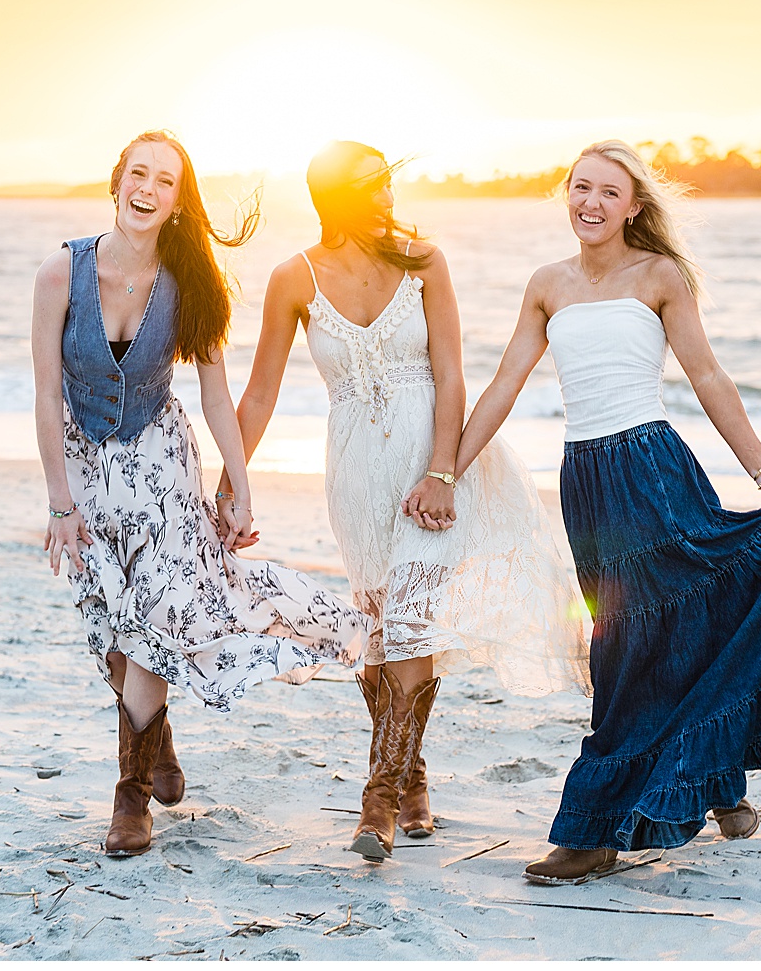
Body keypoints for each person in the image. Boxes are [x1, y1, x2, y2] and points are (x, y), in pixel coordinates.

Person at [447, 139, 761, 885]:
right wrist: (443, 469)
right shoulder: (546, 284)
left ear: (635, 207)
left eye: (608, 193)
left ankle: (591, 833)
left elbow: (707, 375)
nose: (591, 203)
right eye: (581, 188)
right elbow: (505, 381)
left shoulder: (659, 276)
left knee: (635, 643)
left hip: (652, 468)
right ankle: (718, 785)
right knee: (646, 633)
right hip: (586, 481)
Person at [223, 140, 589, 864]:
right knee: (387, 629)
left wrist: (443, 472)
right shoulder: (293, 278)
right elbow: (261, 390)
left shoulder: (425, 260)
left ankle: (379, 799)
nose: (389, 197)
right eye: (372, 187)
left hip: (432, 464)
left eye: (389, 183)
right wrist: (231, 483)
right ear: (337, 198)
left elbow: (452, 375)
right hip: (356, 470)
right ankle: (414, 776)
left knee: (415, 624)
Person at [30, 130, 369, 858]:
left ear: (179, 203)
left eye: (165, 181)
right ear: (117, 179)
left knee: (157, 614)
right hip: (85, 466)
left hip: (160, 462)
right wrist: (59, 502)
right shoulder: (60, 273)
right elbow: (45, 392)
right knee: (116, 633)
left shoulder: (189, 287)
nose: (147, 189)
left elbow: (217, 397)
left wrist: (240, 487)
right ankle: (159, 740)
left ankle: (129, 798)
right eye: (139, 174)